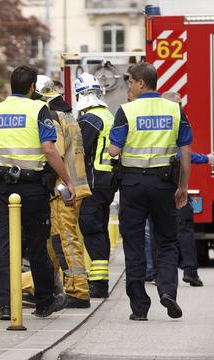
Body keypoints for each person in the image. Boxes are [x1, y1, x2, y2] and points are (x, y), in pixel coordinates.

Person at [0, 64, 74, 320]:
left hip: (0, 187)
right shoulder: (39, 109)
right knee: (36, 245)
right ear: (33, 87)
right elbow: (49, 149)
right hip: (32, 187)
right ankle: (44, 302)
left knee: (2, 245)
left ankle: (5, 305)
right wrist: (68, 180)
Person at [108, 62, 191, 321]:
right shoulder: (175, 109)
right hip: (163, 183)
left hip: (132, 185)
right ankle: (167, 291)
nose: (129, 87)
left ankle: (139, 309)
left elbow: (114, 150)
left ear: (141, 83)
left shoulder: (126, 111)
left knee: (133, 244)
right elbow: (185, 152)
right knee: (166, 241)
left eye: (130, 82)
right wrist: (182, 186)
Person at [144, 91, 214, 287]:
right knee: (182, 227)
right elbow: (181, 154)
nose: (180, 108)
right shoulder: (174, 123)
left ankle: (161, 272)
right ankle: (188, 271)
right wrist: (205, 158)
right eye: (178, 104)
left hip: (155, 183)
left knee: (161, 228)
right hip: (171, 185)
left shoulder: (154, 124)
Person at [36, 75, 93, 308]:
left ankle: (78, 292)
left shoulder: (51, 116)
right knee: (55, 241)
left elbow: (54, 154)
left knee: (65, 241)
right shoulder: (67, 113)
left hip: (63, 189)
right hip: (71, 187)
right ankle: (49, 287)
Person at [75, 72, 116, 298]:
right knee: (99, 228)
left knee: (91, 228)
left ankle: (98, 283)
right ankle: (101, 279)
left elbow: (79, 152)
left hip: (93, 182)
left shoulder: (90, 120)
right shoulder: (107, 115)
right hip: (106, 181)